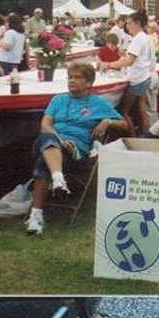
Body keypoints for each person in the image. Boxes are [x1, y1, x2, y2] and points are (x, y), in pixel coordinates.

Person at [25, 61, 129, 235]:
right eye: (70, 77)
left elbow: (124, 125)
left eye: (77, 78)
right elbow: (45, 124)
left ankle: (36, 215)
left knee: (43, 162)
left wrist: (108, 121)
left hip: (76, 153)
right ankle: (58, 178)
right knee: (47, 137)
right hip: (52, 142)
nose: (72, 81)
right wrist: (60, 139)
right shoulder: (58, 99)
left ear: (89, 83)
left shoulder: (98, 103)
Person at [108, 9, 154, 134]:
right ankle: (146, 136)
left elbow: (129, 62)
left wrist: (109, 65)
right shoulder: (145, 37)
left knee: (124, 111)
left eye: (129, 23)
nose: (127, 26)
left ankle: (132, 136)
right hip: (144, 76)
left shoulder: (137, 39)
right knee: (141, 109)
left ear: (137, 23)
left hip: (137, 79)